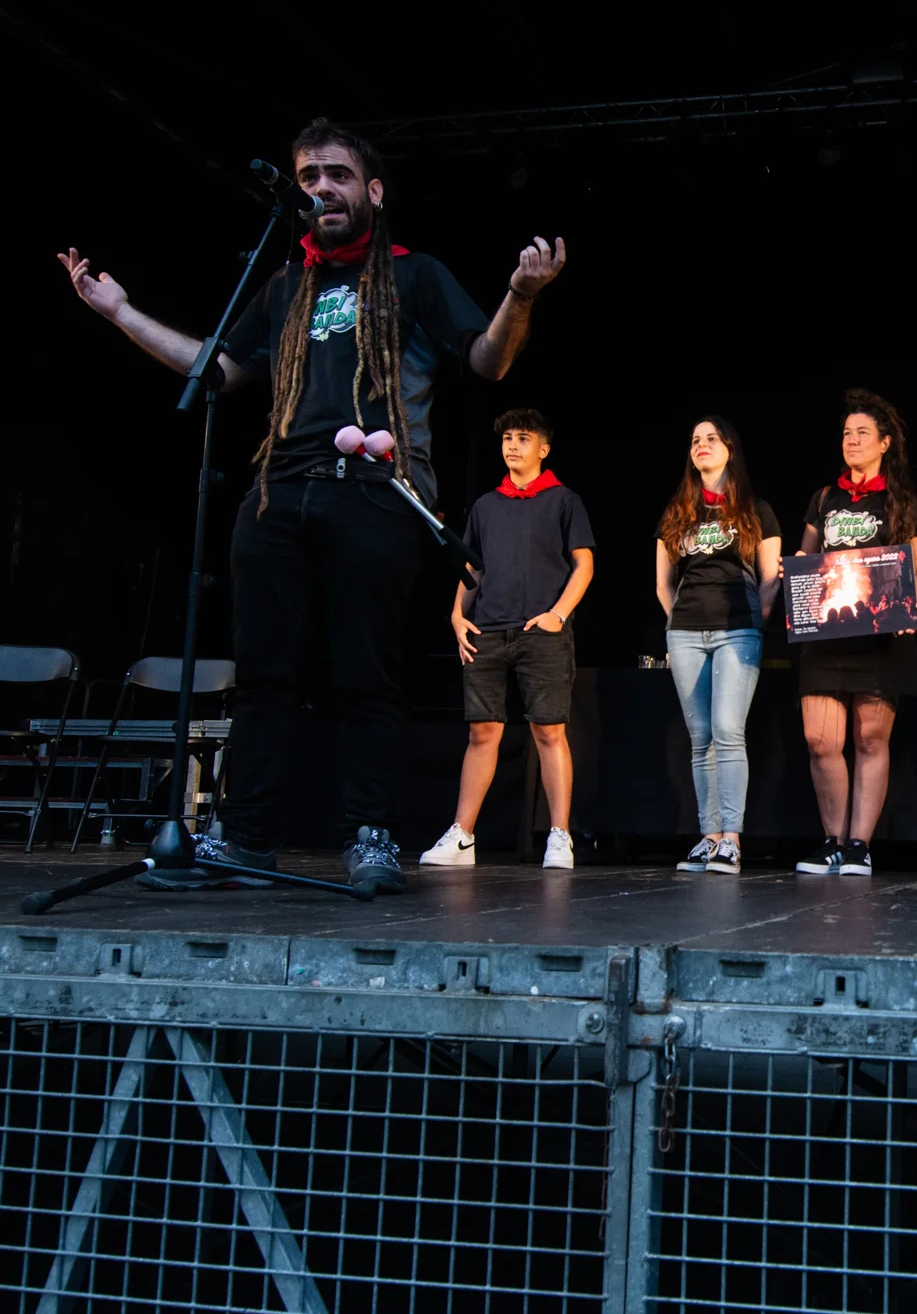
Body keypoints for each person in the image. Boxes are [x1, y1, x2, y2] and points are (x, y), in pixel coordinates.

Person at [59, 118, 564, 893]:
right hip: (278, 496)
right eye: (307, 178)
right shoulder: (284, 287)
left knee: (367, 674)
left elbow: (486, 360)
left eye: (336, 174)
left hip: (376, 495)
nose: (320, 188)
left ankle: (369, 833)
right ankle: (247, 836)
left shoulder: (416, 275)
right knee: (264, 676)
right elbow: (216, 370)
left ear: (373, 191)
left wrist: (519, 296)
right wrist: (119, 312)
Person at [419, 409, 595, 871]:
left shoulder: (563, 500)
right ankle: (462, 836)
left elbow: (584, 564)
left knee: (549, 731)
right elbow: (472, 567)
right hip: (488, 630)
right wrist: (457, 615)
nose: (513, 445)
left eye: (523, 438)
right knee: (482, 732)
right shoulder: (486, 505)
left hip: (542, 631)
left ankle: (559, 835)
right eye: (507, 438)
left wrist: (558, 614)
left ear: (543, 449)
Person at [795, 390, 917, 876]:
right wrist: (792, 574)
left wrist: (915, 598)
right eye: (847, 433)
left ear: (884, 443)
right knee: (820, 738)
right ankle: (832, 840)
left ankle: (858, 845)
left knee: (870, 738)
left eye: (862, 433)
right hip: (828, 633)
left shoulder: (903, 501)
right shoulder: (824, 499)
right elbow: (806, 559)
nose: (852, 441)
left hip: (880, 634)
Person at [653, 416, 782, 874]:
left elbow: (771, 578)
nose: (701, 445)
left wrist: (755, 619)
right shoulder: (677, 512)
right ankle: (709, 838)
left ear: (730, 448)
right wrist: (677, 621)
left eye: (711, 439)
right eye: (695, 441)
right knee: (701, 737)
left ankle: (731, 839)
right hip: (686, 631)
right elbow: (662, 583)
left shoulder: (755, 509)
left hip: (737, 630)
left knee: (728, 730)